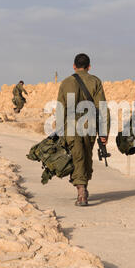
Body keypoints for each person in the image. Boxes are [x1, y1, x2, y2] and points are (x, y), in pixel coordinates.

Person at [56, 53, 109, 206]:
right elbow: (102, 107)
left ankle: (81, 191)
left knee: (77, 156)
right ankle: (83, 187)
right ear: (89, 66)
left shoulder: (66, 83)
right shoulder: (95, 81)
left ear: (74, 66)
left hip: (71, 125)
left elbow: (61, 109)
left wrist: (60, 132)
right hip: (90, 124)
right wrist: (103, 132)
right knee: (85, 155)